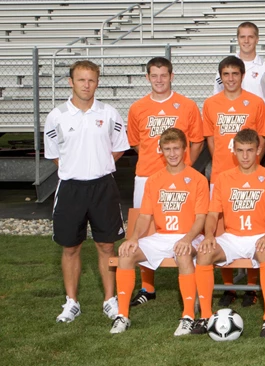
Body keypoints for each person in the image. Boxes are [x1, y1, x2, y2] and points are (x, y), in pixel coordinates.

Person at [44, 60, 129, 323]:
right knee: (70, 247)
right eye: (81, 80)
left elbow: (119, 147)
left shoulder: (109, 113)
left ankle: (110, 300)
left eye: (91, 80)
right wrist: (77, 168)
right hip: (71, 188)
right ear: (71, 82)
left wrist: (98, 166)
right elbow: (56, 156)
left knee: (106, 245)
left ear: (97, 82)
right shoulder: (56, 116)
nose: (86, 85)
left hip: (103, 187)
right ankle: (72, 302)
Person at [109, 128, 208, 335]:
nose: (172, 154)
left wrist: (187, 239)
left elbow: (201, 218)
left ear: (185, 150)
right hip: (161, 236)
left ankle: (188, 316)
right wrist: (134, 238)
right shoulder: (154, 180)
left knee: (182, 253)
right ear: (161, 150)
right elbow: (145, 216)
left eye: (176, 148)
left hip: (191, 236)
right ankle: (122, 315)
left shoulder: (197, 179)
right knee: (125, 254)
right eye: (167, 149)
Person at [125, 57, 204, 308]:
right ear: (147, 77)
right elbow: (137, 143)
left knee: (184, 227)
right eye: (154, 75)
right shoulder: (137, 108)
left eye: (164, 75)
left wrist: (183, 167)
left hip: (182, 178)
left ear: (172, 76)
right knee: (144, 230)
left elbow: (196, 141)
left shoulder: (187, 105)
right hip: (147, 175)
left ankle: (188, 280)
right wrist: (154, 163)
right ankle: (147, 287)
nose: (159, 80)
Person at [193, 129, 265, 338]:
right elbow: (213, 215)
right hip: (232, 237)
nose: (245, 156)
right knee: (204, 254)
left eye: (250, 150)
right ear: (233, 151)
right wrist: (208, 236)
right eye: (240, 150)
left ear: (258, 150)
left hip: (259, 235)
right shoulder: (223, 179)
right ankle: (205, 315)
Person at [202, 55, 265, 306]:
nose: (230, 79)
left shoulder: (256, 103)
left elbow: (260, 140)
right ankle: (228, 287)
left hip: (251, 176)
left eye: (235, 74)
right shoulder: (210, 104)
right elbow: (211, 140)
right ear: (221, 77)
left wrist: (252, 165)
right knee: (221, 231)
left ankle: (251, 286)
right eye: (226, 74)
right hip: (220, 175)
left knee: (253, 227)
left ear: (242, 76)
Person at [214, 21, 265, 105]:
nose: (246, 41)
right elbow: (217, 96)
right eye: (242, 37)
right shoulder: (225, 67)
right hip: (233, 116)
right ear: (238, 39)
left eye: (250, 37)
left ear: (257, 39)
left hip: (258, 117)